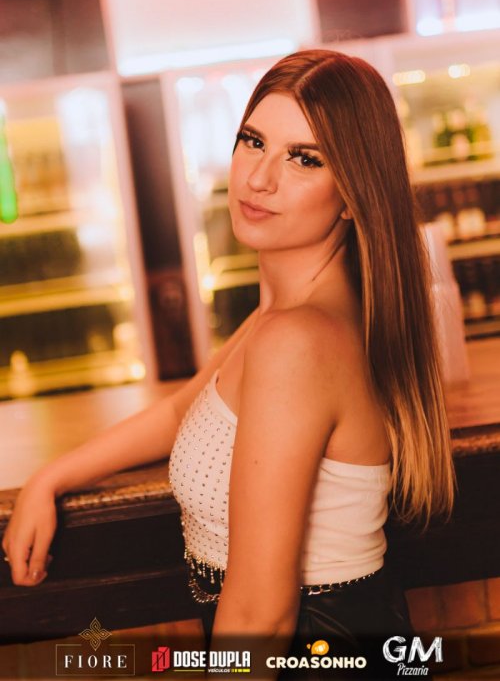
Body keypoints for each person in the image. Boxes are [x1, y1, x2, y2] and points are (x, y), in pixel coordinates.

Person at [2, 50, 455, 679]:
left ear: (354, 196)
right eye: (254, 141)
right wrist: (50, 479)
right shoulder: (282, 317)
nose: (259, 178)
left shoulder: (297, 339)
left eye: (305, 158)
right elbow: (180, 412)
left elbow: (261, 615)